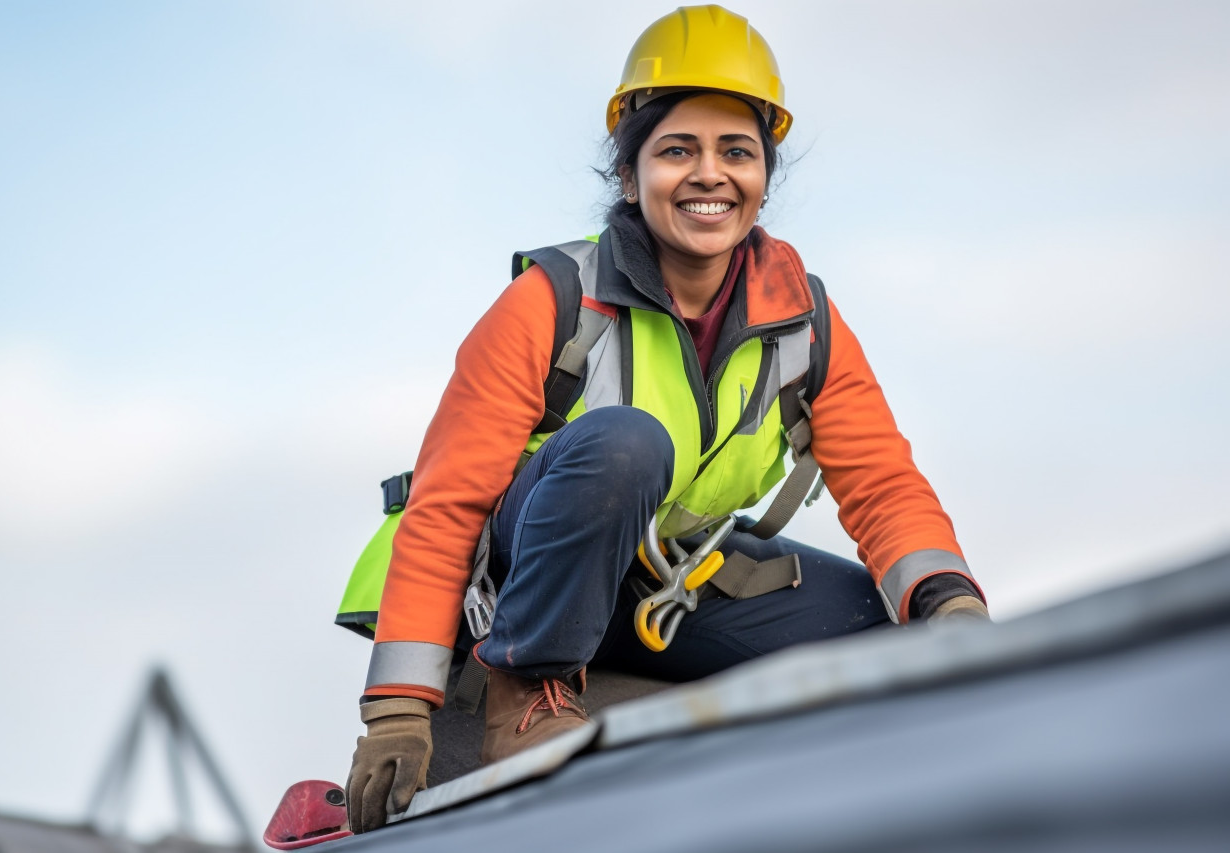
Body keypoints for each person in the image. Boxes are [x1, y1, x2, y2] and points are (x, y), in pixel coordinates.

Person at [344, 4, 988, 834]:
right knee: (625, 443)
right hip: (521, 592)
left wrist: (954, 612)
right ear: (629, 173)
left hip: (658, 586)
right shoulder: (553, 301)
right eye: (677, 150)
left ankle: (723, 739)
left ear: (765, 173)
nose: (709, 175)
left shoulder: (806, 323)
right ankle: (526, 698)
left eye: (737, 151)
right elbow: (449, 504)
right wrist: (398, 709)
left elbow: (886, 487)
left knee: (890, 633)